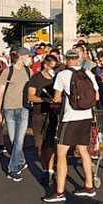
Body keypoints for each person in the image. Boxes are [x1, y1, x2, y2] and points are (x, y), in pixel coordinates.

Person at [43, 49, 99, 202]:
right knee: (83, 150)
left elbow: (56, 98)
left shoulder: (62, 75)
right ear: (78, 60)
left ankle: (60, 191)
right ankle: (89, 186)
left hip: (70, 117)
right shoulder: (88, 74)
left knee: (61, 152)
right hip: (87, 116)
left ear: (67, 60)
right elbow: (96, 95)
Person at [0, 47, 32, 182]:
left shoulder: (29, 71)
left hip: (24, 109)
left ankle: (13, 168)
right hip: (9, 108)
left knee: (19, 140)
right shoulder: (8, 71)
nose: (29, 59)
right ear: (21, 57)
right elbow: (1, 91)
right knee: (13, 139)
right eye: (27, 56)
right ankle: (21, 160)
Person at [28, 54, 59, 184]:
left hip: (52, 114)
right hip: (38, 114)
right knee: (39, 145)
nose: (53, 69)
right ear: (45, 65)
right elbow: (31, 96)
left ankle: (50, 170)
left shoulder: (56, 79)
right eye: (52, 67)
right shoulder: (36, 78)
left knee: (50, 144)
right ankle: (46, 168)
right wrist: (43, 99)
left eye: (55, 67)